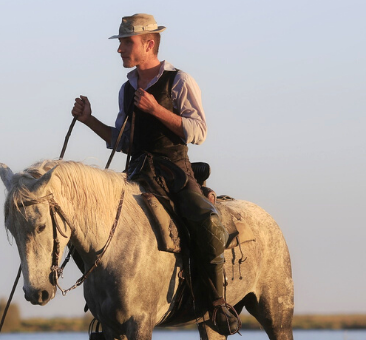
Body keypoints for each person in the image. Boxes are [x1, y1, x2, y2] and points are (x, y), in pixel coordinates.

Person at [71, 13, 240, 335]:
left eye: (126, 42)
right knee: (85, 226)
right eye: (120, 42)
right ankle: (104, 304)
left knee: (207, 221)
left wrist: (156, 110)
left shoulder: (179, 80)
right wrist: (89, 120)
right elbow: (121, 140)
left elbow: (198, 132)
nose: (120, 49)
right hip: (135, 172)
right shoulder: (127, 88)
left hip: (174, 170)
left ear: (149, 44)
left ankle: (217, 303)